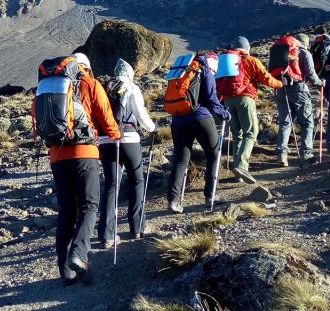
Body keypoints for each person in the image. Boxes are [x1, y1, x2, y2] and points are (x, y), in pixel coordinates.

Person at [35, 52, 120, 286]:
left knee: (66, 211)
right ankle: (79, 254)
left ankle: (66, 273)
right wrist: (116, 134)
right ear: (85, 68)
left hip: (56, 155)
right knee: (89, 206)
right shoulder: (90, 84)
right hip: (84, 154)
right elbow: (106, 118)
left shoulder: (48, 87)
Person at [97, 59, 155, 247]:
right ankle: (137, 227)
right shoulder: (131, 87)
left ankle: (106, 234)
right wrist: (153, 128)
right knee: (137, 180)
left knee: (111, 184)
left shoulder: (104, 88)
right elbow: (140, 114)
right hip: (129, 139)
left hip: (105, 141)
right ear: (130, 73)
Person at [168, 53, 235, 213]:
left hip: (178, 120)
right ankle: (210, 196)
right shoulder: (204, 69)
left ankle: (173, 201)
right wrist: (224, 114)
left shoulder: (183, 70)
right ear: (213, 63)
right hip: (200, 118)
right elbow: (211, 98)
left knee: (180, 159)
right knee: (214, 154)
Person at [218, 37, 282, 178]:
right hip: (245, 99)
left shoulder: (224, 61)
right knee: (251, 132)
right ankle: (241, 167)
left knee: (237, 135)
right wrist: (280, 84)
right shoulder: (251, 60)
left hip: (227, 101)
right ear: (247, 48)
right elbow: (265, 78)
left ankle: (238, 174)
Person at [275, 34, 322, 166]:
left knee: (285, 122)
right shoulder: (304, 53)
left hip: (281, 89)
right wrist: (320, 83)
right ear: (305, 44)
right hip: (299, 90)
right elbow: (311, 75)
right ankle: (306, 153)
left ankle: (281, 155)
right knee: (306, 122)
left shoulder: (282, 52)